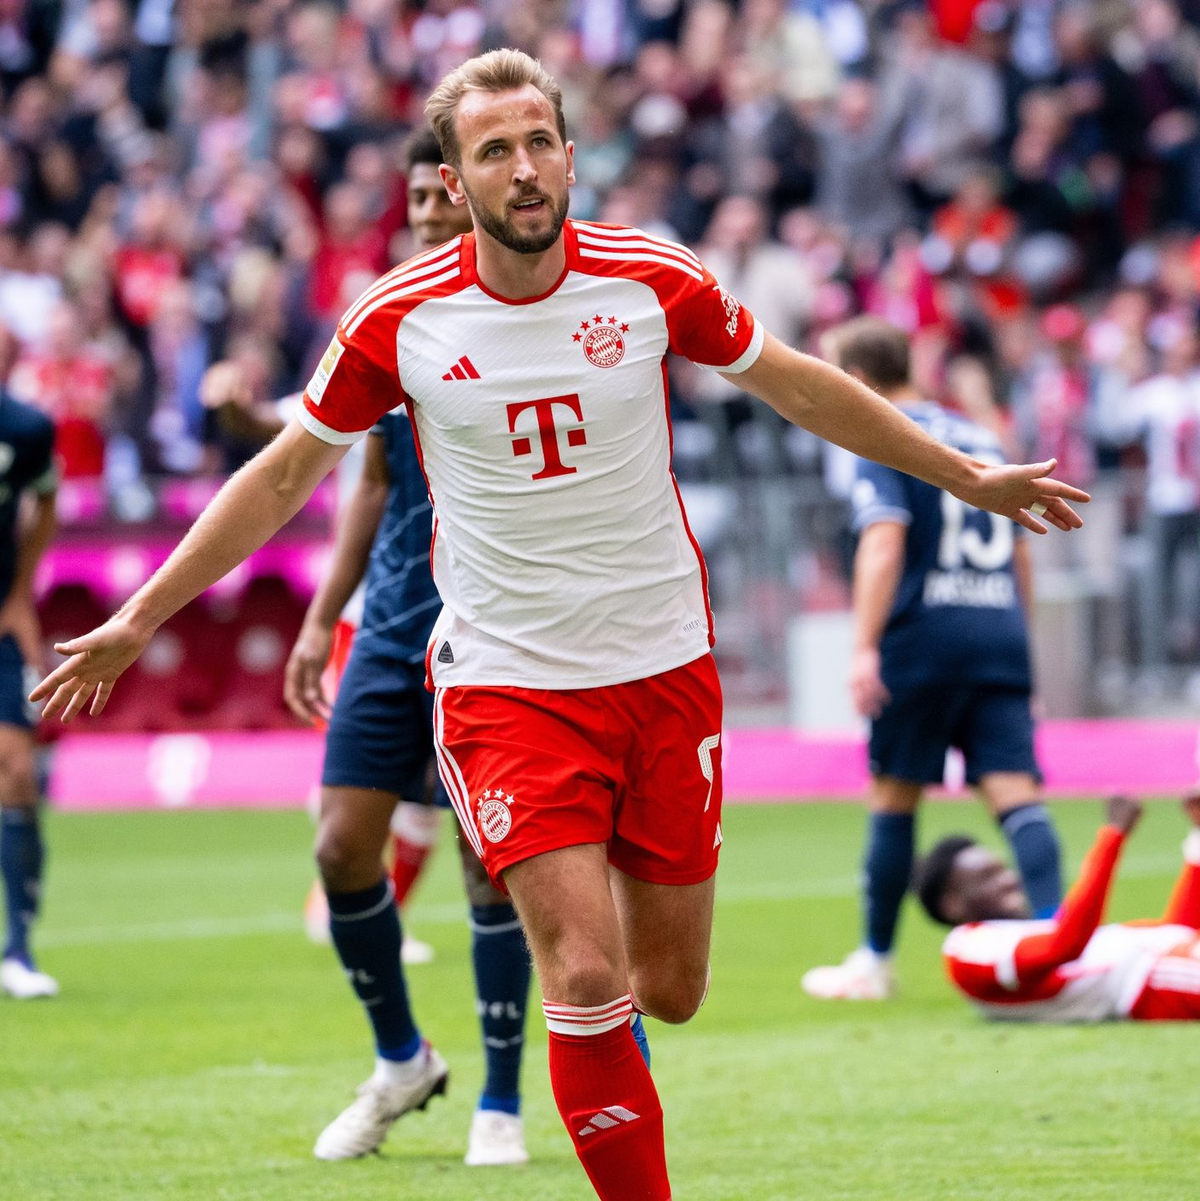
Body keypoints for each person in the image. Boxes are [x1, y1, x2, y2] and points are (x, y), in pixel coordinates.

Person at [31, 50, 1089, 1201]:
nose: (524, 169)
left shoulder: (650, 279)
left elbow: (801, 385)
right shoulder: (399, 318)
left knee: (667, 987)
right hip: (506, 685)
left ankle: (591, 1072)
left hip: (665, 671)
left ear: (572, 156)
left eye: (540, 143)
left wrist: (964, 473)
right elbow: (284, 477)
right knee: (582, 971)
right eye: (495, 151)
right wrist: (140, 617)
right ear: (452, 178)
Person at [202, 128, 544, 1166]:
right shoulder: (390, 319)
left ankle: (500, 1098)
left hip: (497, 624)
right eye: (420, 206)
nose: (431, 219)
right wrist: (320, 617)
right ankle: (403, 1057)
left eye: (444, 201)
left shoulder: (532, 312)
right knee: (342, 845)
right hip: (396, 621)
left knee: (494, 868)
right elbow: (367, 470)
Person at [803, 318, 1064, 1004]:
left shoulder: (880, 435)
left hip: (924, 634)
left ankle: (875, 963)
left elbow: (884, 541)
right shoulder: (980, 434)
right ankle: (1057, 943)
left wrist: (863, 644)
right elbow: (1023, 545)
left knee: (894, 792)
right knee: (1015, 790)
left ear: (855, 380)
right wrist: (1019, 640)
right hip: (997, 627)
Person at [915, 793, 1200, 1022]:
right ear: (952, 904)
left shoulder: (1015, 933)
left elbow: (1180, 932)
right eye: (988, 877)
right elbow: (1066, 945)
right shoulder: (967, 948)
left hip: (1168, 965)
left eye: (1003, 870)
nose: (1010, 880)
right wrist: (1112, 837)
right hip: (1153, 981)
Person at [0, 375, 59, 999]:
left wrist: (21, 593)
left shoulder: (25, 428)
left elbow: (47, 502)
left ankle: (18, 946)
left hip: (0, 619)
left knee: (16, 771)